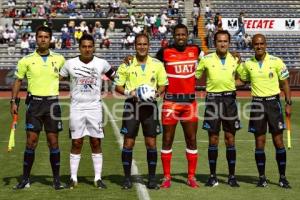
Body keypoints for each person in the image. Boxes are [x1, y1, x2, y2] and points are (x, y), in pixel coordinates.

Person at [11, 26, 65, 190]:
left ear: (50, 39)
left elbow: (73, 70)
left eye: (46, 37)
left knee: (53, 142)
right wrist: (13, 101)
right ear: (36, 38)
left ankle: (56, 180)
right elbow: (18, 81)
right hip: (34, 105)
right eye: (40, 36)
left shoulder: (60, 59)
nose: (43, 39)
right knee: (31, 142)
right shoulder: (26, 60)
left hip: (52, 104)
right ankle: (25, 179)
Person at [59, 34, 115, 189]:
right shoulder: (69, 64)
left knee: (96, 141)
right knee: (76, 142)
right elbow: (57, 78)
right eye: (84, 46)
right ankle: (73, 178)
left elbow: (115, 76)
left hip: (94, 108)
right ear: (79, 48)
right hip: (76, 108)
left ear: (94, 47)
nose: (87, 49)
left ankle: (97, 178)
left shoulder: (101, 63)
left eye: (90, 46)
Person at [115, 33, 168, 190]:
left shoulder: (157, 64)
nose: (142, 47)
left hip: (150, 107)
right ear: (135, 46)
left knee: (151, 143)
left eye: (145, 44)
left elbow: (163, 84)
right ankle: (126, 178)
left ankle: (152, 179)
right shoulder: (127, 64)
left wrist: (156, 94)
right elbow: (118, 86)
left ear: (149, 46)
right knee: (128, 143)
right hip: (132, 106)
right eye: (139, 44)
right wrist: (129, 93)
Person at [239, 34, 292, 188]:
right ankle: (262, 177)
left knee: (278, 141)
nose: (259, 46)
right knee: (259, 142)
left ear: (266, 44)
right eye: (256, 44)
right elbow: (241, 81)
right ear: (252, 46)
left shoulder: (276, 61)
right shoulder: (248, 64)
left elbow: (285, 84)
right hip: (257, 104)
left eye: (261, 44)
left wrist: (288, 103)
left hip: (273, 103)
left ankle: (282, 177)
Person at [195, 30, 243, 187]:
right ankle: (212, 175)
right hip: (213, 101)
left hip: (229, 101)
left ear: (229, 43)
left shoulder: (235, 59)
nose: (223, 44)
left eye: (225, 41)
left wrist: (230, 85)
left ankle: (231, 176)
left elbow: (244, 78)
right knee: (213, 139)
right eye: (220, 41)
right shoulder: (206, 59)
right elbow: (194, 76)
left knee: (230, 139)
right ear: (214, 43)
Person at [157, 23, 201, 188]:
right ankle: (167, 177)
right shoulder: (165, 52)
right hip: (170, 102)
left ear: (187, 35)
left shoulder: (196, 50)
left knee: (191, 139)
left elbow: (214, 58)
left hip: (189, 103)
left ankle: (191, 177)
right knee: (167, 140)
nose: (181, 37)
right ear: (173, 36)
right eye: (178, 35)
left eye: (183, 35)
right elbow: (150, 62)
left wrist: (233, 55)